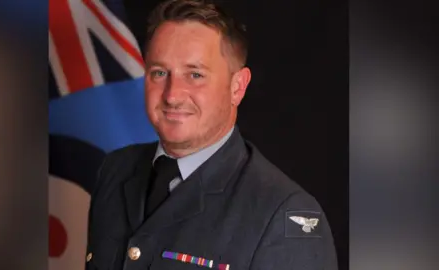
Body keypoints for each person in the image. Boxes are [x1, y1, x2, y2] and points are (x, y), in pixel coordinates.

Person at [85, 0, 338, 269]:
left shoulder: (283, 214)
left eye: (194, 75)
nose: (172, 95)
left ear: (237, 87)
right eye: (159, 73)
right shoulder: (115, 171)